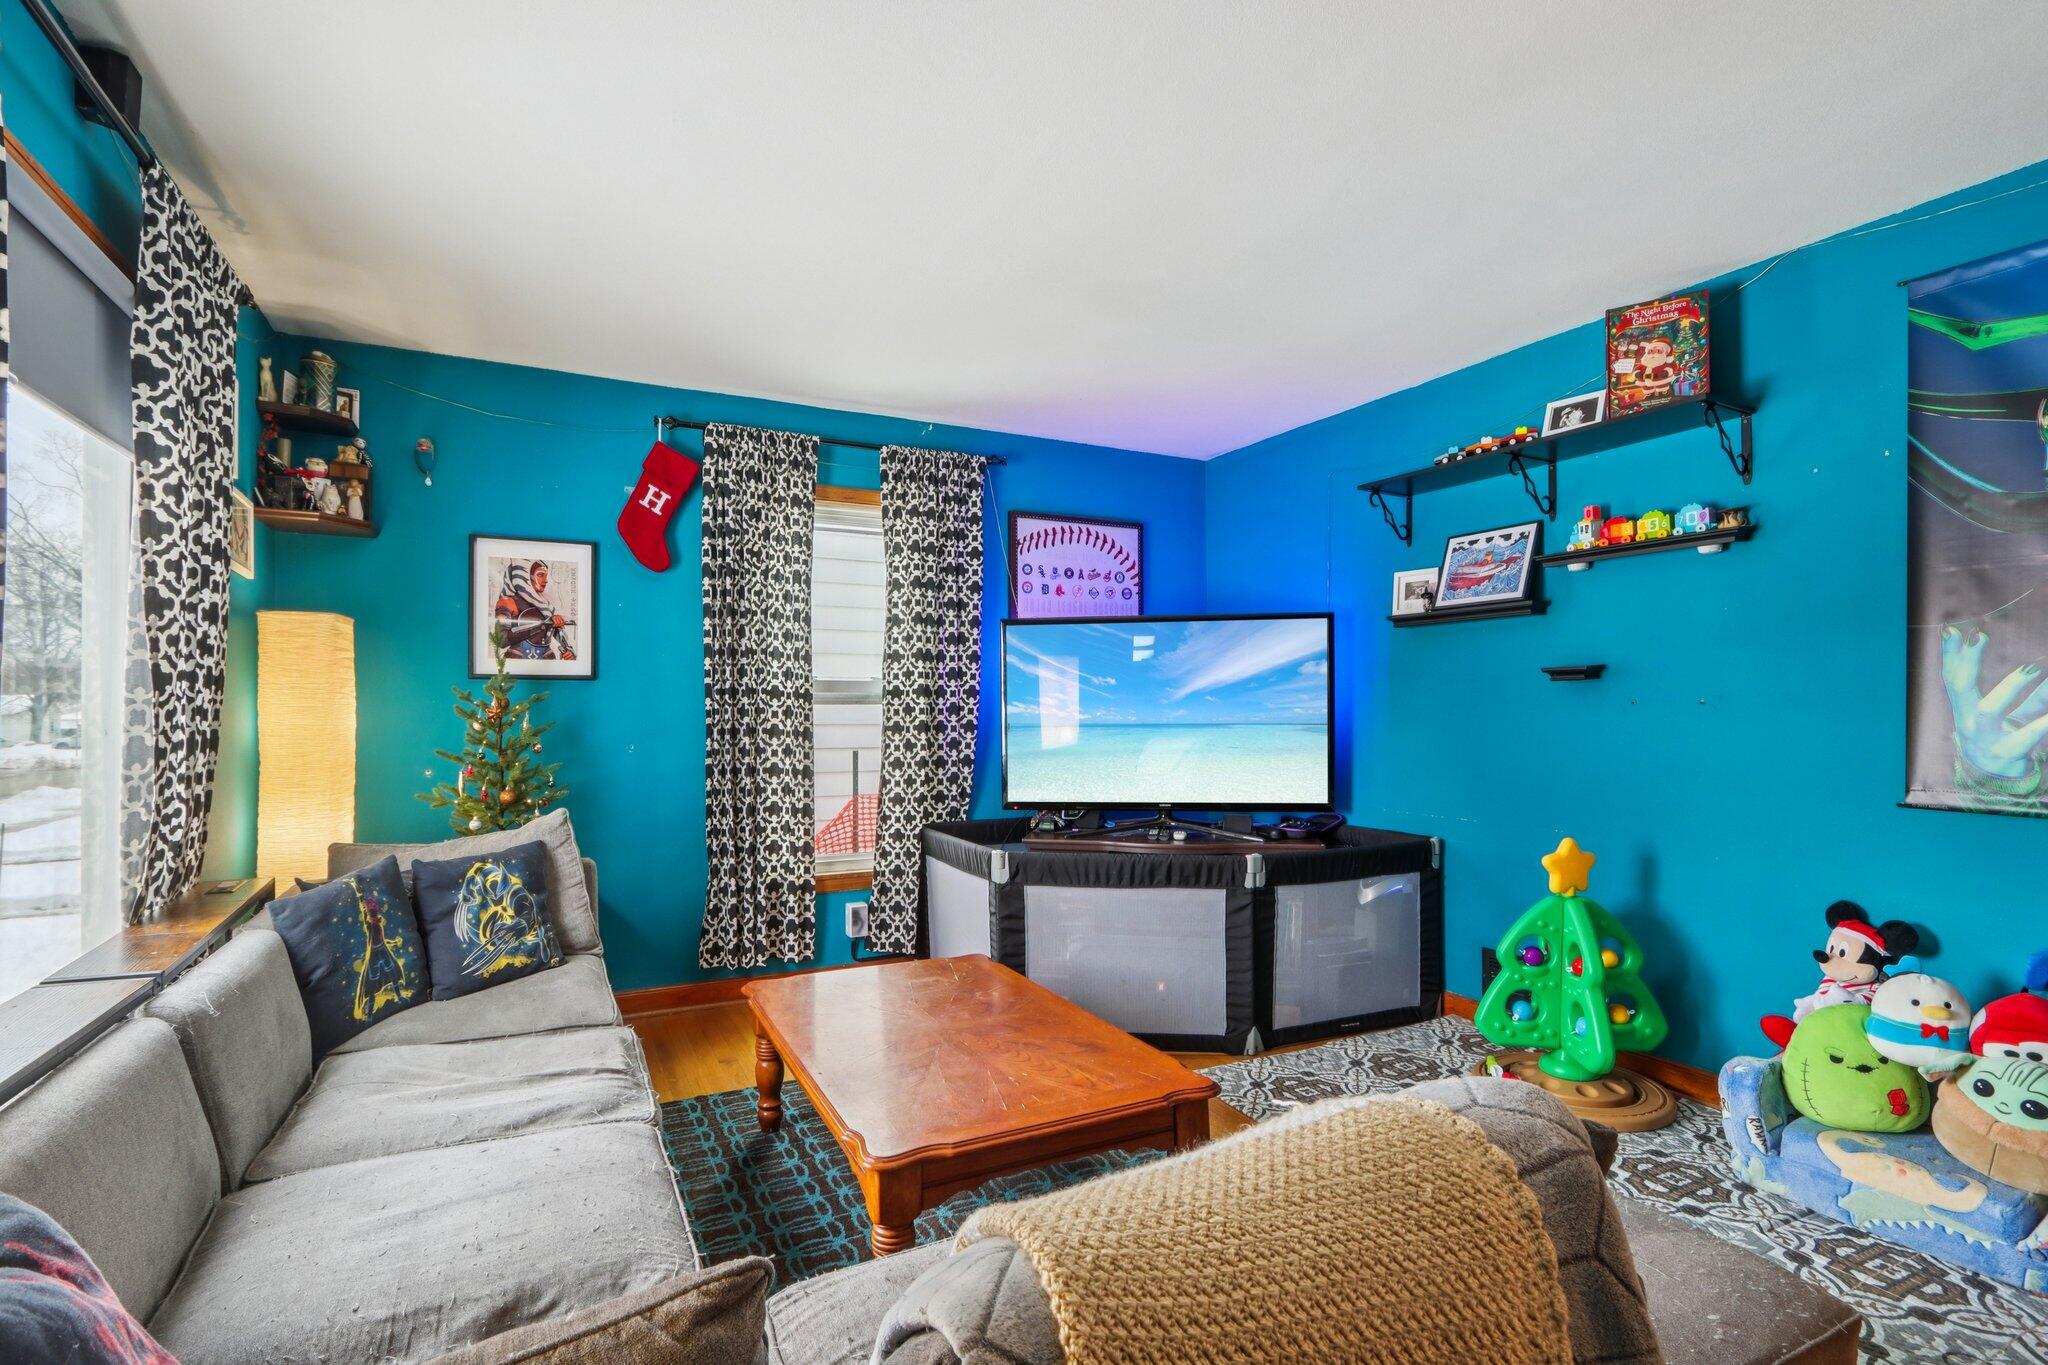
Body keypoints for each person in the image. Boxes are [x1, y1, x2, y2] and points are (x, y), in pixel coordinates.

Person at [494, 560, 577, 660]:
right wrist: (539, 625)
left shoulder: (546, 605)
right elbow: (501, 641)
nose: (546, 580)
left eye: (546, 576)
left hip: (548, 661)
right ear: (526, 576)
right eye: (540, 575)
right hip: (517, 660)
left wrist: (568, 651)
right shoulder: (508, 602)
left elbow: (558, 636)